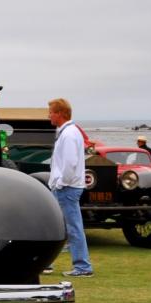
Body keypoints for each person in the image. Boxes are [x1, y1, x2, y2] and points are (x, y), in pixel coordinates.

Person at [48, 98, 93, 278]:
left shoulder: (68, 134)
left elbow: (70, 163)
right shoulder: (69, 132)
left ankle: (82, 266)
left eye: (51, 112)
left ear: (59, 113)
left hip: (66, 187)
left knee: (71, 227)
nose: (49, 115)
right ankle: (48, 263)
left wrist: (60, 182)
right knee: (62, 226)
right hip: (66, 186)